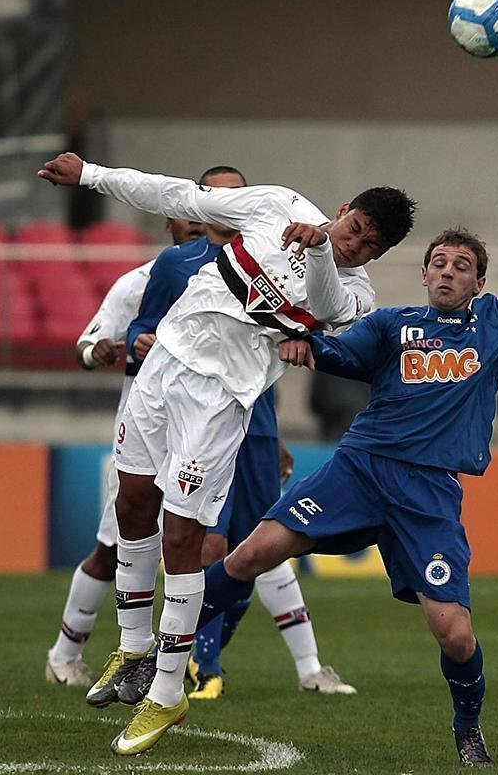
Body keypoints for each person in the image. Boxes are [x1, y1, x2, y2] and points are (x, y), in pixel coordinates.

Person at [193, 155, 498, 766]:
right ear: (425, 274)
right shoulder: (392, 326)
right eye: (440, 263)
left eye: (463, 267)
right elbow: (338, 354)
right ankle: (160, 659)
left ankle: (468, 727)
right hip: (360, 468)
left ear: (479, 283)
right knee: (251, 553)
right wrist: (304, 342)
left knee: (454, 632)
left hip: (427, 493)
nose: (449, 273)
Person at [38, 152, 415, 756]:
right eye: (354, 229)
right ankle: (134, 651)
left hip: (220, 403)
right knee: (133, 508)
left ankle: (166, 693)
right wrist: (91, 175)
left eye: (369, 246)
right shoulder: (277, 205)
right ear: (344, 210)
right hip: (160, 372)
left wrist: (322, 250)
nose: (355, 246)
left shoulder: (355, 295)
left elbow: (321, 309)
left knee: (183, 535)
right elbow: (182, 198)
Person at [117, 170, 356, 704]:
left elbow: (321, 324)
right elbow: (138, 327)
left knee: (262, 541)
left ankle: (305, 664)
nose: (222, 204)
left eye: (233, 191)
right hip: (184, 403)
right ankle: (194, 663)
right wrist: (135, 344)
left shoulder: (284, 247)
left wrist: (275, 434)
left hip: (251, 415)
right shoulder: (175, 265)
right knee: (207, 539)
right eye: (215, 194)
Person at [44, 166, 247, 687]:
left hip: (208, 425)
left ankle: (177, 664)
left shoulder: (255, 277)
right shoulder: (143, 279)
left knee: (211, 542)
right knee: (115, 546)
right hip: (146, 419)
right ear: (174, 221)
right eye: (193, 212)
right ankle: (68, 652)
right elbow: (89, 345)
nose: (201, 223)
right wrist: (112, 349)